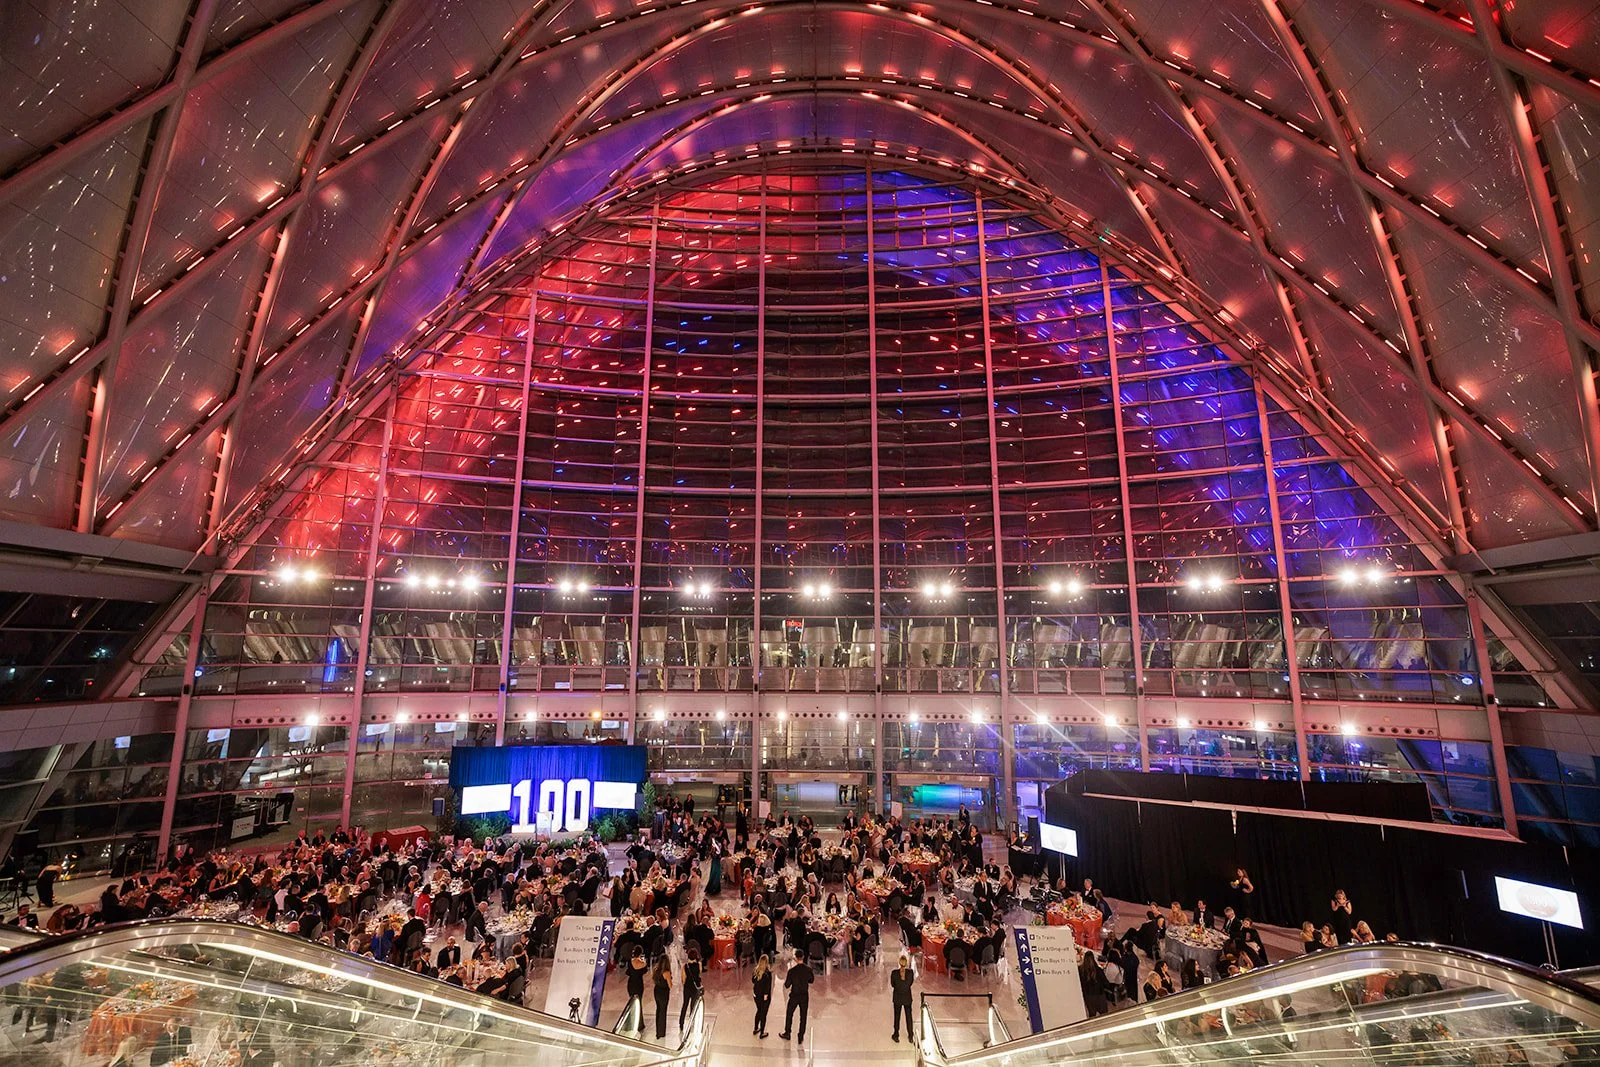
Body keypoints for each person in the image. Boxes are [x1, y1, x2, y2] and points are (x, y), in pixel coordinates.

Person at [780, 948, 814, 1044]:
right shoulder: (808, 969)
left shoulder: (792, 971)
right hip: (804, 995)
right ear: (803, 957)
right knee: (803, 1016)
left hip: (794, 995)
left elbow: (787, 985)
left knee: (789, 1013)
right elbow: (811, 980)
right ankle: (800, 1036)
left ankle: (787, 1032)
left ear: (795, 957)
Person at [890, 953, 915, 1042]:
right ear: (906, 963)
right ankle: (910, 1035)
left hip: (897, 998)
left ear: (899, 963)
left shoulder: (894, 973)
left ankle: (896, 1034)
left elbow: (892, 985)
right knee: (909, 1016)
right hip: (907, 997)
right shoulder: (910, 973)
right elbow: (910, 983)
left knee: (897, 1017)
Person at [679, 944, 704, 1031]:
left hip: (687, 988)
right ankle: (692, 1021)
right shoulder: (699, 965)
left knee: (685, 1005)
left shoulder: (685, 967)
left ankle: (681, 1022)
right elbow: (699, 974)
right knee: (693, 1005)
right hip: (695, 988)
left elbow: (683, 980)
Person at [624, 948, 648, 1031]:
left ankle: (630, 1022)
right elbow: (645, 971)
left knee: (631, 1002)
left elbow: (627, 972)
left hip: (631, 983)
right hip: (639, 984)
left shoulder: (630, 962)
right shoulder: (643, 964)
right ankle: (639, 1024)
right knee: (639, 1002)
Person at [751, 953, 773, 1038]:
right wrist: (766, 996)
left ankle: (756, 1028)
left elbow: (753, 981)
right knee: (764, 1014)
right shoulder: (767, 973)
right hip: (764, 996)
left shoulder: (755, 971)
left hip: (756, 995)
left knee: (758, 1011)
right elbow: (768, 987)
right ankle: (762, 1032)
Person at [652, 954, 672, 1040]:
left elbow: (654, 980)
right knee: (663, 1011)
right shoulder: (666, 973)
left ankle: (658, 1031)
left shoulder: (656, 970)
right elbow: (670, 985)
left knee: (658, 1010)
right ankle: (661, 1032)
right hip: (664, 992)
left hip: (657, 991)